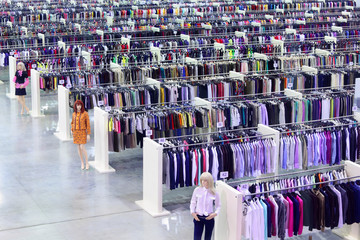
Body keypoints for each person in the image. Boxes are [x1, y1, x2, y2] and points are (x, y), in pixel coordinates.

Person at [190, 172, 221, 240]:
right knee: (196, 238)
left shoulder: (215, 192)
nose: (203, 182)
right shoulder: (197, 190)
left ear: (209, 181)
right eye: (202, 180)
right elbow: (193, 202)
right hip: (198, 218)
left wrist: (214, 214)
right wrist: (193, 213)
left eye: (205, 180)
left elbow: (218, 206)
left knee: (208, 238)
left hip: (209, 218)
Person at [71, 100, 91, 170]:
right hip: (76, 132)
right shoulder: (74, 114)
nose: (78, 106)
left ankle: (87, 162)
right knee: (79, 148)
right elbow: (72, 122)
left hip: (82, 132)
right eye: (77, 105)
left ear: (82, 105)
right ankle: (82, 162)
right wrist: (72, 130)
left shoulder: (85, 113)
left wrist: (88, 134)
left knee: (82, 147)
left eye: (79, 105)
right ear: (75, 106)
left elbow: (88, 124)